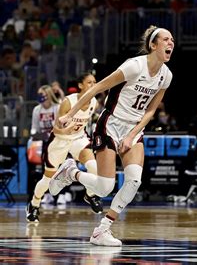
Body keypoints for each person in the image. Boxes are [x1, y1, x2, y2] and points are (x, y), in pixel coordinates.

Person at [49, 26, 175, 246]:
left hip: (133, 129)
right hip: (111, 123)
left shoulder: (166, 75)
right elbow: (97, 87)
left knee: (134, 181)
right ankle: (71, 172)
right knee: (105, 187)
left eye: (172, 40)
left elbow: (151, 110)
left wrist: (133, 135)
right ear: (153, 45)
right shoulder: (134, 66)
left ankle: (102, 230)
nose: (170, 43)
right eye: (165, 39)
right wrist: (70, 114)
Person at [26, 73, 103, 222]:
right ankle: (34, 204)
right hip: (60, 140)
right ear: (80, 85)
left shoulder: (94, 102)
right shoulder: (68, 101)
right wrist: (65, 131)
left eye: (95, 82)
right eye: (89, 82)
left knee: (94, 168)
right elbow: (55, 129)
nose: (93, 85)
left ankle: (90, 195)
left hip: (78, 139)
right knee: (47, 179)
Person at [28, 85, 61, 202]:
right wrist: (35, 134)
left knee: (59, 169)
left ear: (48, 95)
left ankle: (60, 194)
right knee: (45, 169)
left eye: (42, 94)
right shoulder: (37, 109)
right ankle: (46, 193)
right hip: (44, 142)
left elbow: (61, 125)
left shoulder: (57, 107)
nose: (40, 96)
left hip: (57, 142)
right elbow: (34, 128)